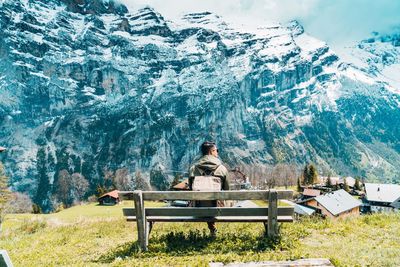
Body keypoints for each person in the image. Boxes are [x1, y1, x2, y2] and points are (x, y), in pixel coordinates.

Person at [188, 141, 229, 235]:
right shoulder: (222, 169)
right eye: (217, 150)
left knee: (203, 199)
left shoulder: (193, 169)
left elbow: (191, 189)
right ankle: (212, 227)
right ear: (212, 151)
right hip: (217, 210)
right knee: (215, 200)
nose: (217, 153)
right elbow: (227, 191)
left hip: (197, 209)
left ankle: (212, 227)